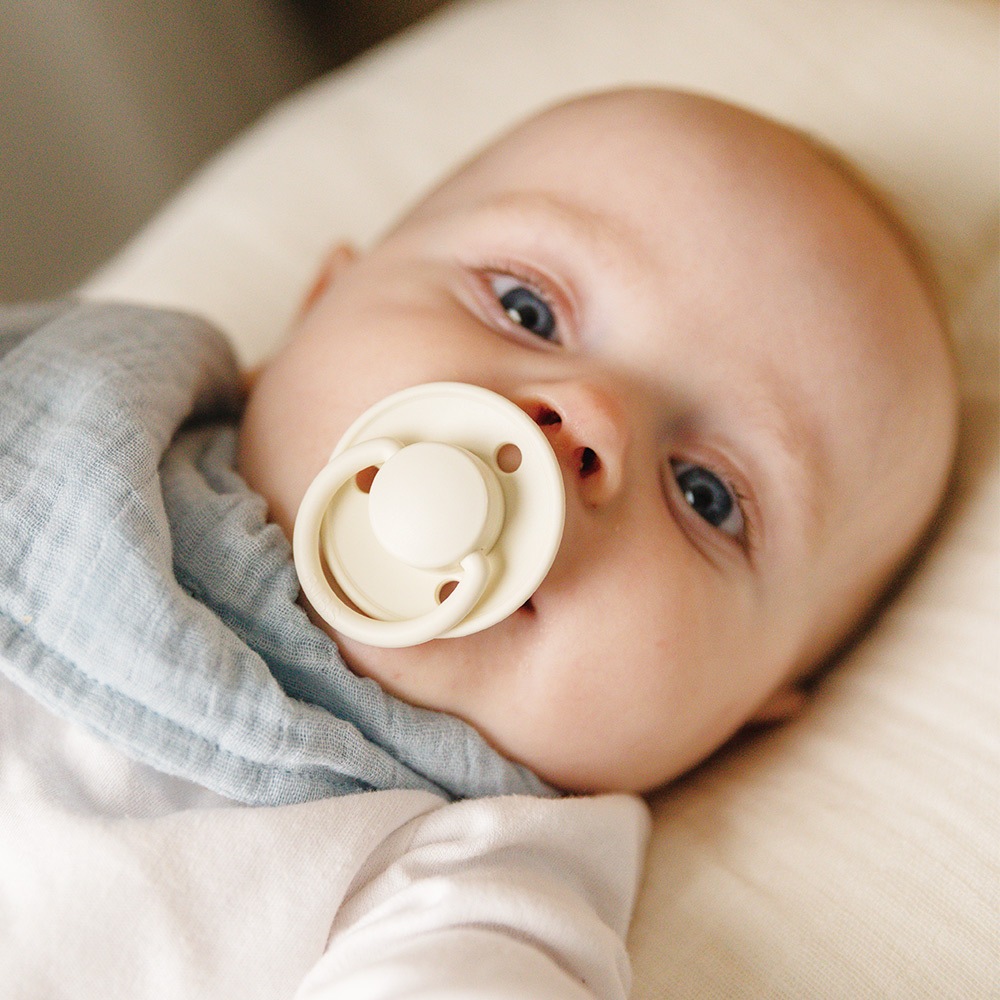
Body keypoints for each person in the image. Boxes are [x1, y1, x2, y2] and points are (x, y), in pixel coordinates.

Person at [0, 88, 957, 998]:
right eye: (526, 308)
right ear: (316, 308)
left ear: (743, 712)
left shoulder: (474, 890)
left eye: (707, 495)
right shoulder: (59, 405)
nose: (589, 417)